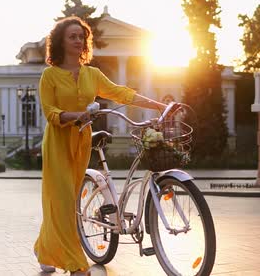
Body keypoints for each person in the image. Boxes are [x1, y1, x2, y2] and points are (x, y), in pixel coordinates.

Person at [33, 16, 167, 275]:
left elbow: (121, 93)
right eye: (72, 36)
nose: (78, 40)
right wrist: (76, 116)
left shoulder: (92, 74)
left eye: (81, 36)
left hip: (81, 141)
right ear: (60, 41)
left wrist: (157, 105)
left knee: (66, 201)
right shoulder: (49, 76)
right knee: (60, 201)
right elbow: (50, 112)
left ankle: (43, 249)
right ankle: (76, 265)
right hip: (58, 143)